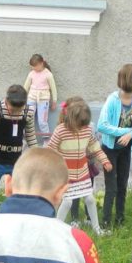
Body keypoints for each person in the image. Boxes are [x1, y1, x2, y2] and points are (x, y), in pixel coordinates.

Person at [97, 63, 132, 229]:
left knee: (122, 185)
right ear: (127, 79)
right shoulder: (112, 101)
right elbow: (102, 125)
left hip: (126, 150)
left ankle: (120, 220)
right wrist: (125, 131)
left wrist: (131, 135)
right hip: (110, 149)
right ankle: (105, 221)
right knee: (111, 187)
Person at [48, 96, 111, 234]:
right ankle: (55, 229)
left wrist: (104, 160)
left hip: (83, 173)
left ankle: (97, 229)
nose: (83, 127)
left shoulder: (87, 130)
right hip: (65, 174)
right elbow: (50, 149)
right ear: (72, 119)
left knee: (90, 198)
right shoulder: (60, 131)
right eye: (80, 124)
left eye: (85, 124)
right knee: (68, 201)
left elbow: (95, 147)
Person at [0, 84, 37, 220]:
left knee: (19, 195)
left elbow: (31, 136)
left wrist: (36, 157)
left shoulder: (28, 111)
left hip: (16, 160)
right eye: (12, 109)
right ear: (6, 100)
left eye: (19, 109)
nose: (16, 112)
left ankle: (14, 222)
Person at [24, 53, 57, 135]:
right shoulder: (31, 73)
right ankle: (26, 139)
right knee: (28, 119)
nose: (33, 68)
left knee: (42, 121)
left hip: (43, 100)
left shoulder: (48, 74)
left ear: (41, 63)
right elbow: (25, 87)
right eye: (32, 66)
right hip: (31, 99)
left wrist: (54, 102)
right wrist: (22, 99)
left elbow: (53, 89)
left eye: (35, 66)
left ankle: (46, 140)